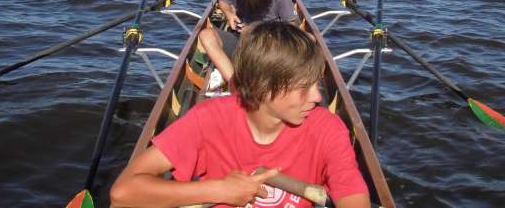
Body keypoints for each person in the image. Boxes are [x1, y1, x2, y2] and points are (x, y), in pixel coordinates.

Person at [110, 22, 370, 208]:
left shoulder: (328, 128)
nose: (316, 97)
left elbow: (352, 194)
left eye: (317, 85)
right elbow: (124, 193)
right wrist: (220, 190)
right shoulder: (207, 119)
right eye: (304, 87)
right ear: (263, 87)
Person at [199, 0, 299, 83]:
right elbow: (223, 2)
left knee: (308, 39)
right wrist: (229, 14)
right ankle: (233, 83)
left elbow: (292, 27)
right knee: (206, 35)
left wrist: (259, 32)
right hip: (239, 38)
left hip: (269, 44)